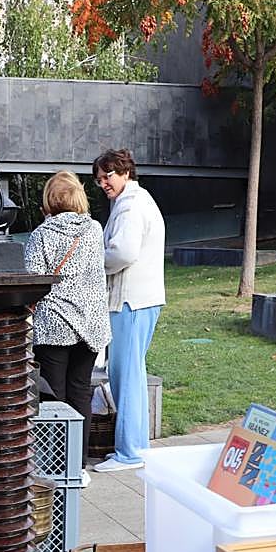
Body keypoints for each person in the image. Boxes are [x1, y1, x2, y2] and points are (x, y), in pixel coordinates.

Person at [24, 171, 111, 489]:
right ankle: (78, 466)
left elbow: (33, 279)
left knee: (52, 397)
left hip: (54, 325)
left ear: (49, 200)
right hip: (90, 324)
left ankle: (54, 465)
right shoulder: (94, 229)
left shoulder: (41, 234)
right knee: (80, 392)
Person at [91, 148, 167, 473]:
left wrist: (93, 260)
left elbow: (123, 252)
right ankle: (134, 448)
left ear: (124, 172)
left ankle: (131, 452)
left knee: (128, 376)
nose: (103, 183)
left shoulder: (131, 205)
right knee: (127, 374)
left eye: (107, 176)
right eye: (99, 179)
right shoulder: (132, 202)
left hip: (131, 301)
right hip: (138, 300)